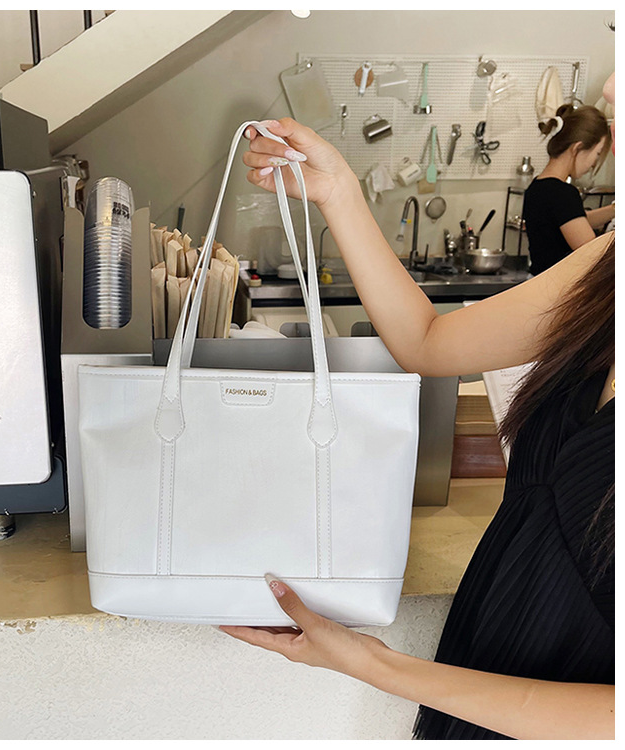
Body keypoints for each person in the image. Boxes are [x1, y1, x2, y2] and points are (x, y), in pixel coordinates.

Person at [218, 72, 615, 740]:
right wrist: (339, 192)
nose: (609, 84)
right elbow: (428, 341)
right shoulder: (611, 263)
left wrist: (374, 665)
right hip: (480, 680)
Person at [522, 103, 613, 274]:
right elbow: (591, 254)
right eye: (597, 153)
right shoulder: (562, 194)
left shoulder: (537, 187)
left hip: (540, 281)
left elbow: (574, 219)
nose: (594, 164)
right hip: (560, 287)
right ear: (578, 148)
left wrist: (614, 210)